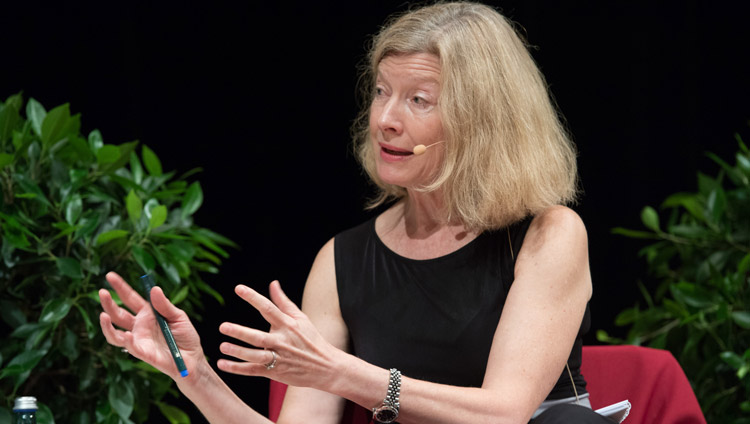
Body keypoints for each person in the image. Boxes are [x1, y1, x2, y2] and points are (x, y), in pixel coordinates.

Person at [99, 3, 615, 423]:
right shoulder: (343, 258)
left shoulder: (548, 234)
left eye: (419, 100)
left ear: (482, 122)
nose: (386, 120)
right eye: (382, 92)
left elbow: (505, 414)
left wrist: (343, 374)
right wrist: (194, 374)